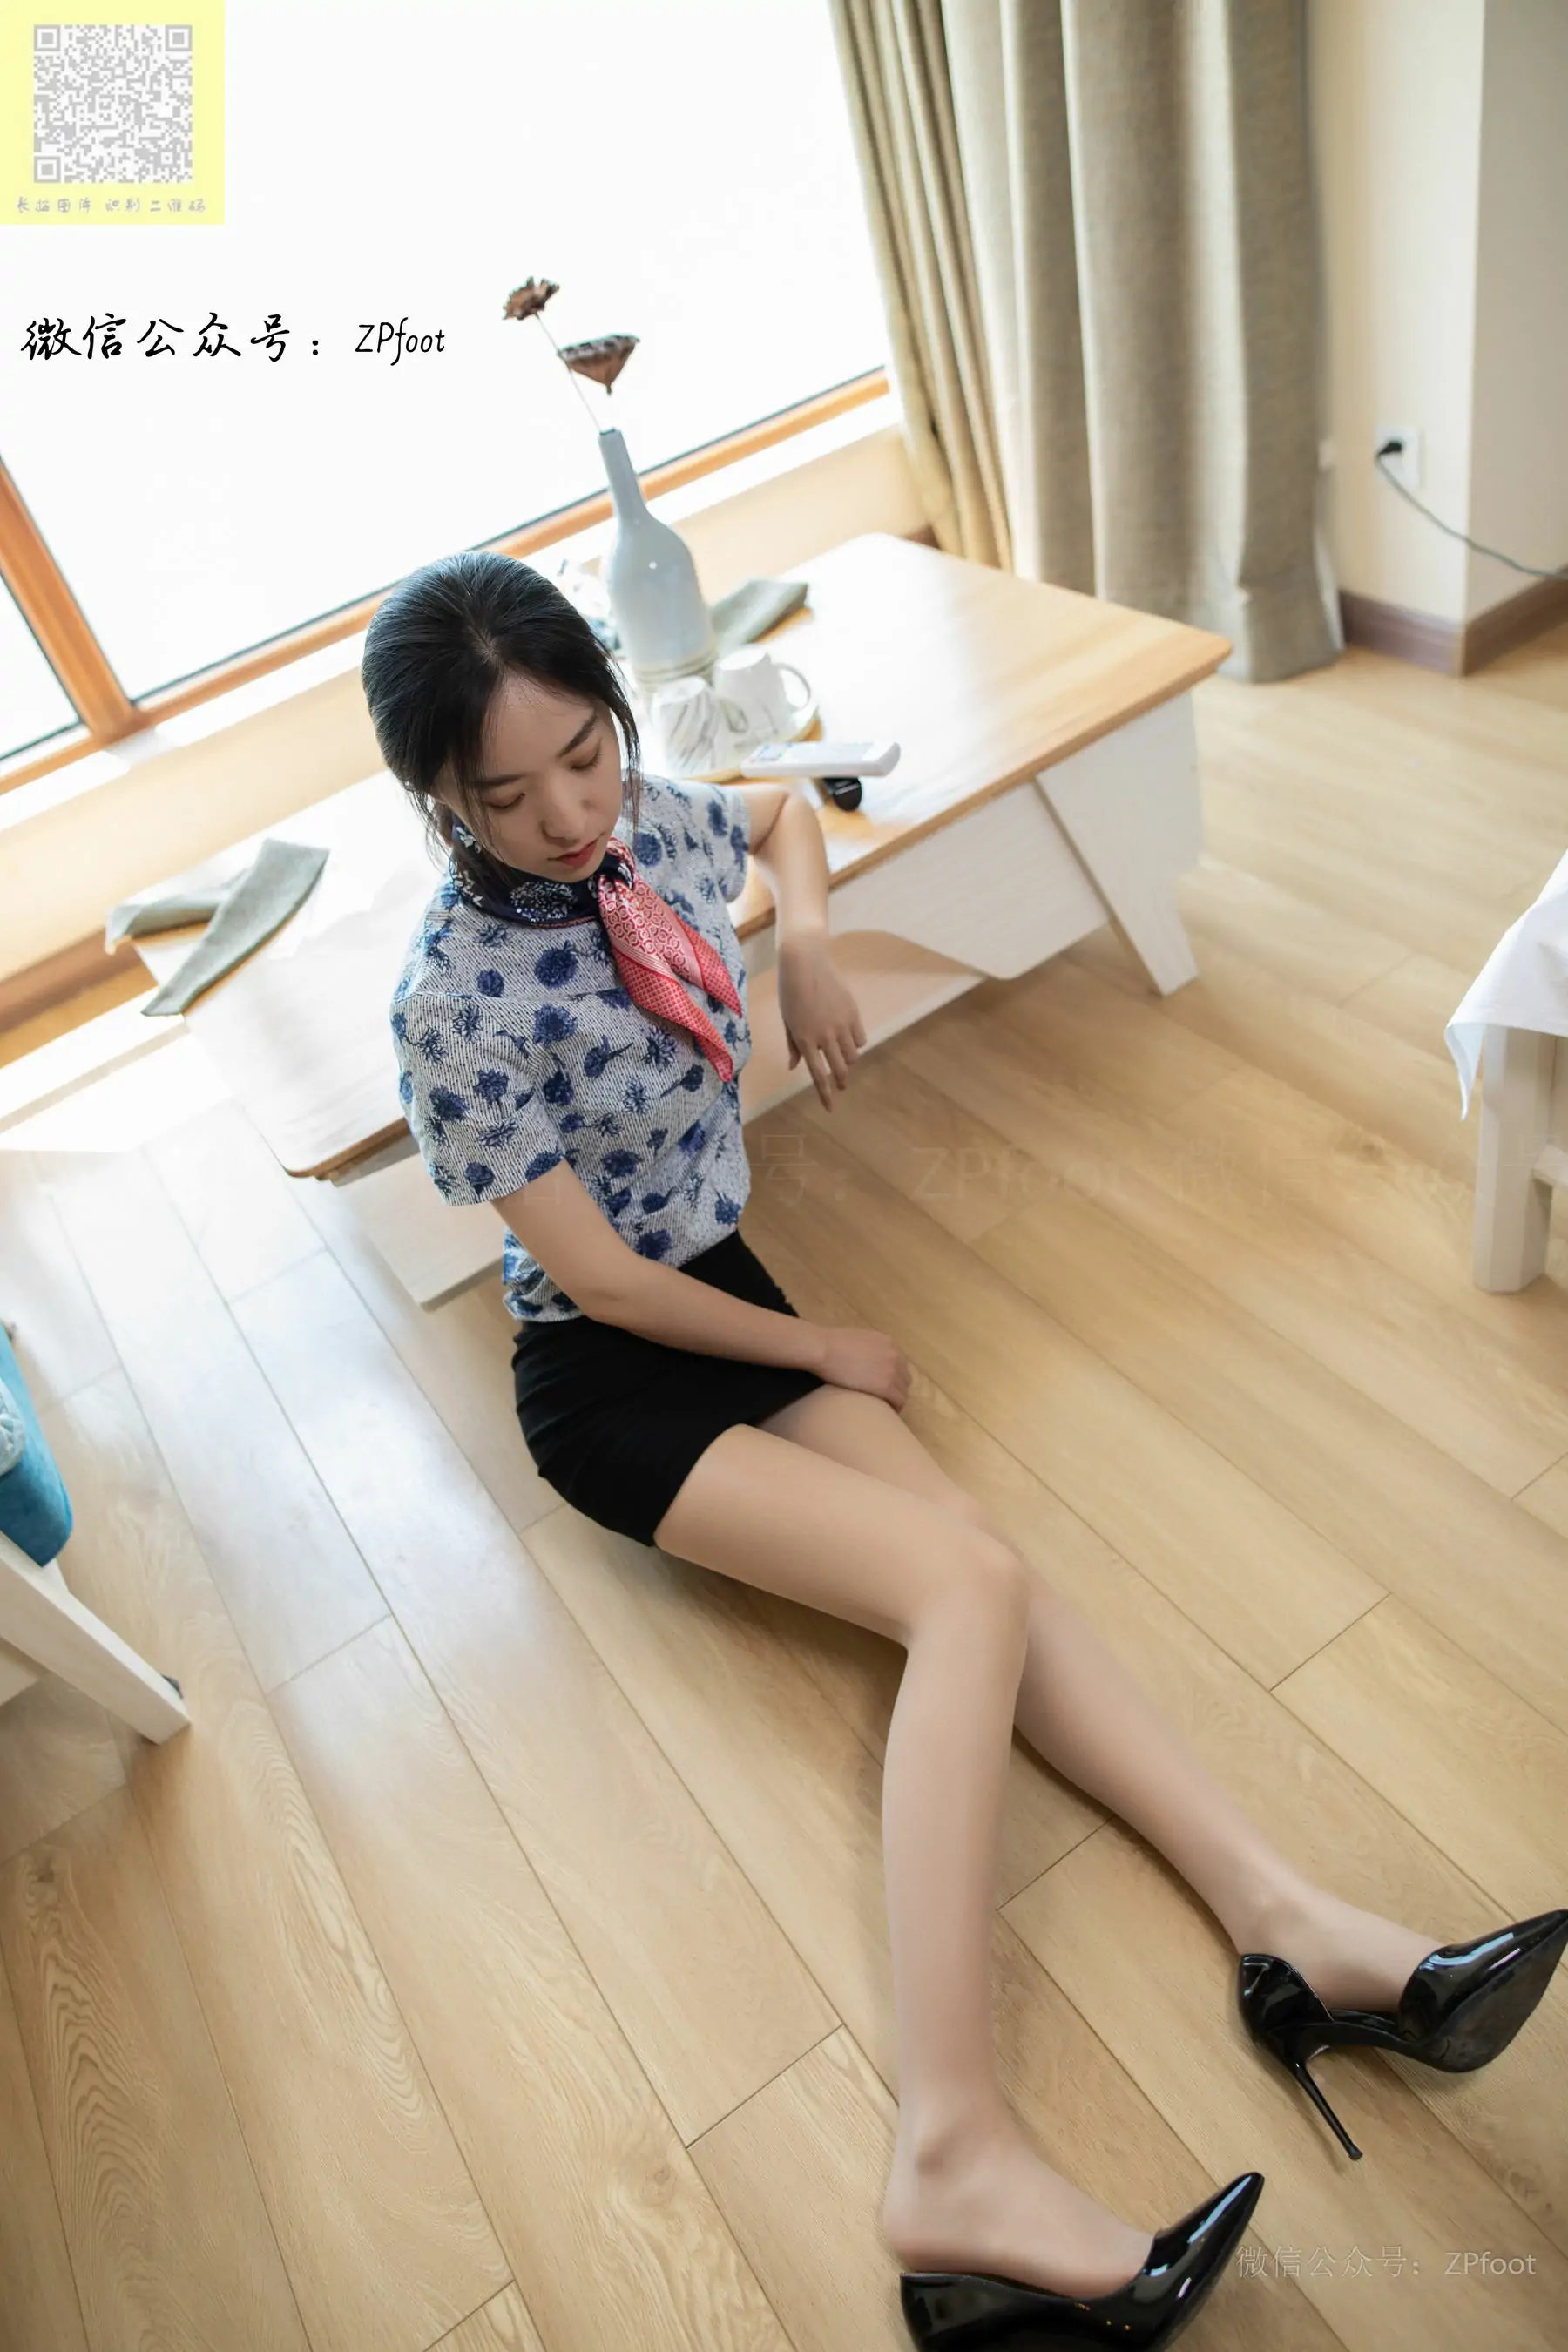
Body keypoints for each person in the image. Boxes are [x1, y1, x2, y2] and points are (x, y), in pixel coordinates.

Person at [362, 550, 1565, 2351]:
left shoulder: (646, 825)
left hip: (722, 1288)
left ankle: (1290, 1927)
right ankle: (949, 2155)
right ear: (439, 799)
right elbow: (595, 1281)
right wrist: (823, 1346)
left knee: (991, 1584)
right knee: (963, 1592)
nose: (567, 816)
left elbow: (784, 813)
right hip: (610, 1378)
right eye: (506, 794)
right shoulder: (454, 1001)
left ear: (612, 715)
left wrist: (812, 941)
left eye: (587, 756)